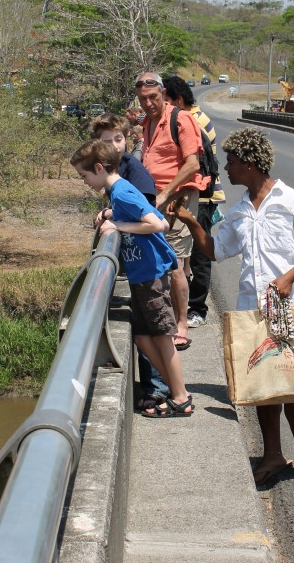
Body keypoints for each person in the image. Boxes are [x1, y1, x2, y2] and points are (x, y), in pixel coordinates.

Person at [171, 128, 294, 481]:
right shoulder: (239, 211)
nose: (226, 169)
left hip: (288, 307)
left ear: (250, 163)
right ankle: (272, 455)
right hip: (252, 309)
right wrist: (190, 221)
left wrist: (288, 278)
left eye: (231, 162)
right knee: (263, 385)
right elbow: (216, 250)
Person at [70, 139, 193, 417]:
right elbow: (142, 213)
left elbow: (157, 223)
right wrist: (111, 213)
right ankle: (177, 390)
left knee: (162, 337)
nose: (84, 182)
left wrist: (118, 224)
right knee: (141, 337)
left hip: (151, 274)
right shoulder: (117, 193)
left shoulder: (122, 191)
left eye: (84, 175)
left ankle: (181, 398)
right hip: (141, 274)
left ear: (99, 168)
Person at [88, 113, 169, 410]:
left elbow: (152, 218)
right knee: (145, 330)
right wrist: (110, 214)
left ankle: (159, 390)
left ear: (127, 139)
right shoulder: (116, 172)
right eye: (106, 141)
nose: (113, 145)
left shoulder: (133, 175)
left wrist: (117, 222)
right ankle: (155, 387)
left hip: (148, 264)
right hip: (139, 264)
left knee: (154, 332)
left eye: (118, 139)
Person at [135, 71, 210, 350]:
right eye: (143, 99)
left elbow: (192, 164)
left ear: (163, 94)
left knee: (175, 263)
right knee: (159, 261)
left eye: (153, 97)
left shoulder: (181, 119)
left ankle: (181, 324)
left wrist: (166, 194)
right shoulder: (147, 122)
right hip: (154, 200)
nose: (148, 103)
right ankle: (164, 320)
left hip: (177, 199)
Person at [161, 75, 226, 328]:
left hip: (202, 196)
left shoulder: (192, 120)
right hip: (195, 195)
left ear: (178, 100)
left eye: (166, 101)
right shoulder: (190, 117)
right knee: (187, 253)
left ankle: (198, 308)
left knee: (200, 253)